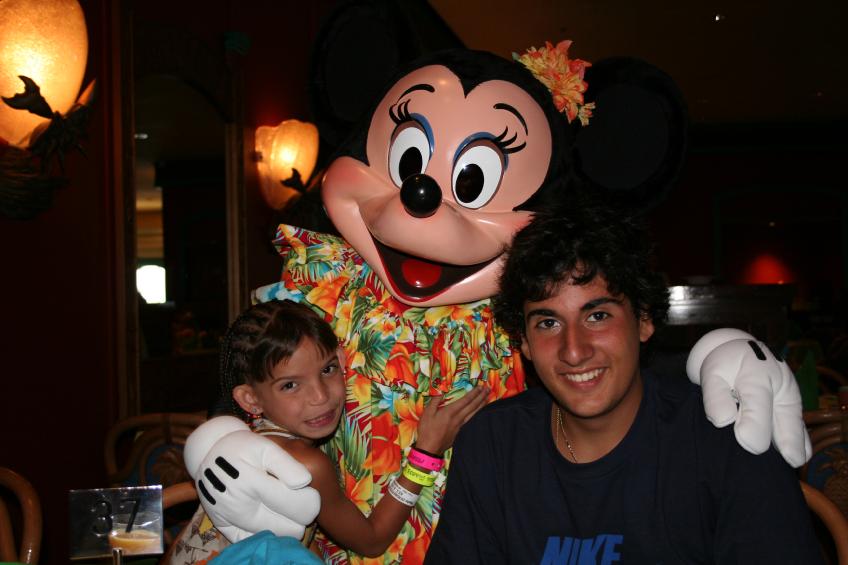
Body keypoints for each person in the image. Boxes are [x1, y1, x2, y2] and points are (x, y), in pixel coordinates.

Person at [425, 201, 821, 564]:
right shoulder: (494, 443)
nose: (574, 351)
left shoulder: (728, 438)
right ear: (524, 342)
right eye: (548, 323)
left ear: (643, 319)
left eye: (597, 316)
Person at [169, 300, 487, 563]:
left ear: (342, 360)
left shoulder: (246, 441)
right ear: (251, 399)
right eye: (290, 385)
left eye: (327, 369)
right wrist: (426, 454)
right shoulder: (306, 465)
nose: (320, 396)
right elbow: (372, 540)